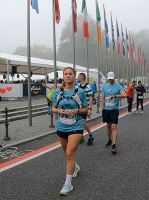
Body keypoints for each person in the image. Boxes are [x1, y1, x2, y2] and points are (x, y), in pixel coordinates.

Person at [52, 67, 87, 196]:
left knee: (70, 154)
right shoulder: (58, 91)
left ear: (74, 76)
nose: (68, 76)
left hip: (76, 126)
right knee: (67, 154)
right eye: (66, 74)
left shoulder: (80, 92)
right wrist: (58, 111)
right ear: (63, 76)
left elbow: (85, 109)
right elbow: (53, 108)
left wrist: (77, 111)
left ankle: (68, 184)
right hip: (62, 127)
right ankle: (75, 166)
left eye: (70, 74)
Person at [101, 72, 126, 153]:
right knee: (108, 126)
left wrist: (115, 96)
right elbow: (103, 98)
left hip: (114, 109)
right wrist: (102, 109)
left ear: (114, 78)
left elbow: (124, 95)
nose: (111, 80)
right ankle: (109, 140)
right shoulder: (104, 86)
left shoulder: (118, 86)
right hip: (106, 109)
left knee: (114, 126)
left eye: (112, 79)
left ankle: (114, 145)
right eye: (109, 79)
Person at [77, 73, 95, 146]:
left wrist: (90, 109)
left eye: (78, 76)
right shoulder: (77, 86)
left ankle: (90, 136)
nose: (77, 77)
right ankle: (81, 137)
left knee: (84, 122)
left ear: (82, 77)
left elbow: (91, 97)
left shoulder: (88, 86)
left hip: (85, 107)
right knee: (79, 122)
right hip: (79, 107)